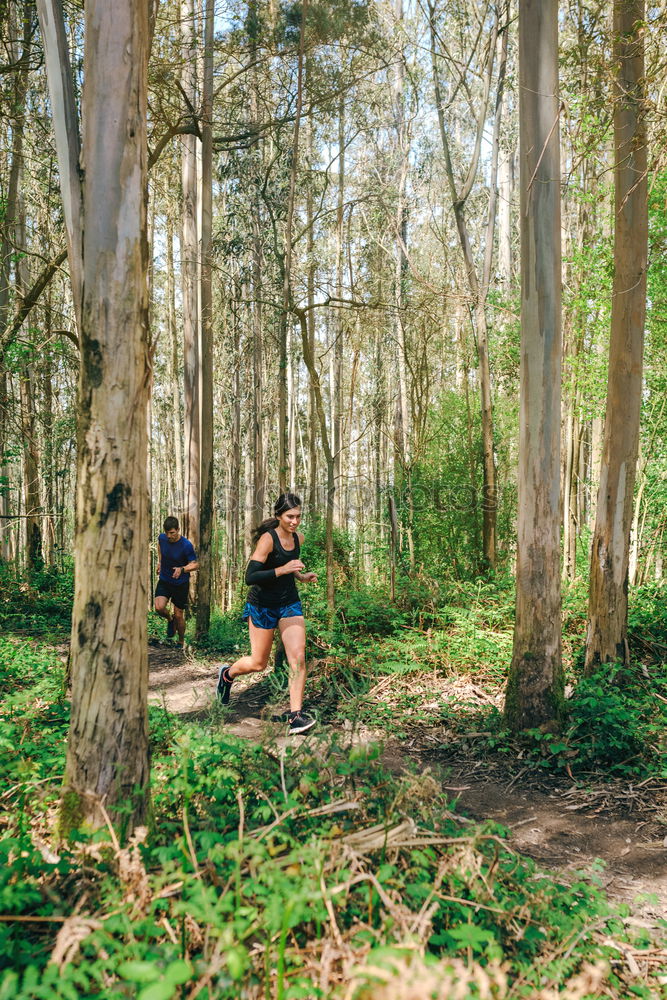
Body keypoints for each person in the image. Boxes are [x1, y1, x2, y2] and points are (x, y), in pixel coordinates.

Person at [216, 493, 318, 734]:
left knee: (298, 658)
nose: (295, 521)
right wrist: (282, 569)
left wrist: (301, 576)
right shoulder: (267, 540)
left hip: (289, 604)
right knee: (258, 663)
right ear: (278, 516)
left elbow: (290, 564)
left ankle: (295, 716)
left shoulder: (298, 539)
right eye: (290, 516)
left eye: (298, 516)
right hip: (262, 605)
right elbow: (250, 576)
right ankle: (227, 675)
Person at [154, 516, 198, 648]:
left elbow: (195, 564)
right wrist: (160, 562)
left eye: (172, 533)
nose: (169, 536)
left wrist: (182, 569)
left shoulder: (186, 545)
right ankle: (169, 619)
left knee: (179, 615)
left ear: (178, 530)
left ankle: (180, 641)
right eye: (167, 532)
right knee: (159, 607)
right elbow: (160, 547)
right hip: (165, 580)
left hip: (180, 583)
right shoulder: (162, 538)